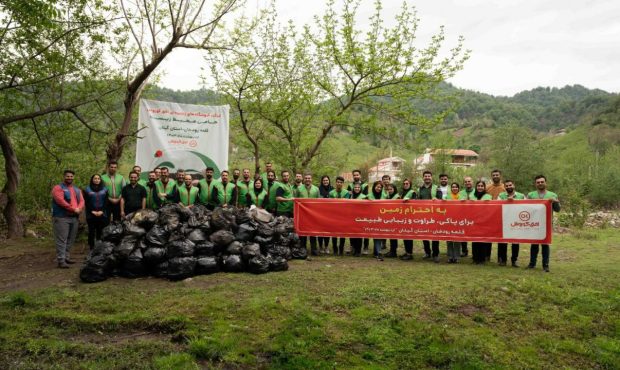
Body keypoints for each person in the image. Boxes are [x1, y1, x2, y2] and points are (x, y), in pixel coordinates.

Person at [526, 175, 560, 272]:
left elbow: (557, 210)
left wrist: (555, 202)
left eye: (542, 182)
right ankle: (532, 264)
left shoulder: (552, 195)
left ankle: (545, 265)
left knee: (545, 244)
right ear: (535, 184)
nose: (540, 183)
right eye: (538, 182)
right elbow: (525, 208)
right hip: (533, 223)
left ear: (546, 182)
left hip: (546, 224)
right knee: (534, 244)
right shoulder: (530, 195)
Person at [51, 170, 84, 268]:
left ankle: (66, 257)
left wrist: (79, 208)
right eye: (67, 176)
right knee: (62, 239)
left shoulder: (76, 189)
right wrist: (74, 209)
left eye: (71, 176)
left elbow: (82, 201)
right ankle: (61, 260)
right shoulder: (58, 188)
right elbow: (60, 201)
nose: (69, 178)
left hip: (74, 217)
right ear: (64, 177)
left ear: (73, 177)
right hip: (61, 217)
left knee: (71, 239)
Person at [497, 180, 525, 267]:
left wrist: (514, 201)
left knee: (515, 242)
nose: (509, 187)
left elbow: (527, 206)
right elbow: (497, 206)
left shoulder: (521, 196)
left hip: (516, 222)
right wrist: (506, 201)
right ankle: (503, 260)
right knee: (502, 242)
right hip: (504, 221)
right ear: (504, 187)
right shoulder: (501, 196)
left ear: (514, 185)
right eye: (507, 186)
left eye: (510, 185)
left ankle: (514, 260)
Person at [419, 170, 442, 262]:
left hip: (434, 215)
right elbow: (417, 201)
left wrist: (437, 199)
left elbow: (440, 200)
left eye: (429, 176)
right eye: (425, 176)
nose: (427, 177)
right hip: (423, 215)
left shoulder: (437, 188)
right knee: (424, 234)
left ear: (431, 177)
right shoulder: (420, 188)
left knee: (435, 235)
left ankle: (435, 254)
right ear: (423, 177)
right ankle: (427, 252)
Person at [84, 174, 108, 250]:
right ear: (92, 180)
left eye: (98, 178)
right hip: (91, 214)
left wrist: (102, 211)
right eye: (95, 178)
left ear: (100, 180)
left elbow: (106, 202)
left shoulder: (105, 189)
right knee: (91, 231)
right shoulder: (87, 189)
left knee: (100, 231)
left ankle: (99, 247)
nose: (97, 180)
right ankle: (91, 247)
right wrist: (92, 211)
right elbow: (86, 202)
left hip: (102, 213)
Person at [297, 174, 319, 256]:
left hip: (313, 214)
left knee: (312, 231)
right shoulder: (299, 189)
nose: (307, 179)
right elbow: (296, 200)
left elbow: (318, 202)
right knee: (302, 232)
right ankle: (303, 249)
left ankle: (314, 249)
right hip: (302, 213)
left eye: (309, 178)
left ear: (311, 179)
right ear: (303, 179)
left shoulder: (316, 189)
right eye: (306, 178)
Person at [471, 180, 492, 264]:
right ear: (476, 187)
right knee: (475, 240)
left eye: (481, 186)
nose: (480, 187)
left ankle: (482, 259)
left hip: (484, 221)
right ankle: (475, 258)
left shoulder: (488, 196)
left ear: (484, 187)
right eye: (478, 186)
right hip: (474, 221)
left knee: (483, 241)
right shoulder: (472, 196)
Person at [328, 176, 349, 255]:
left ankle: (341, 248)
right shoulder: (331, 193)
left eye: (341, 182)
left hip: (343, 215)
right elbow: (330, 205)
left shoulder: (346, 192)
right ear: (335, 183)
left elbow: (346, 203)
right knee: (334, 233)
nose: (339, 184)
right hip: (333, 215)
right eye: (338, 182)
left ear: (343, 183)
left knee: (342, 233)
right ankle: (335, 249)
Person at [346, 182, 366, 256]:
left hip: (360, 218)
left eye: (358, 187)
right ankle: (353, 249)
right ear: (353, 188)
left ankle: (358, 251)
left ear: (360, 189)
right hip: (351, 217)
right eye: (355, 187)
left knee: (359, 235)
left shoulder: (364, 196)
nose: (357, 189)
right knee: (352, 235)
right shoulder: (350, 196)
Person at [399, 178, 417, 260]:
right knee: (404, 235)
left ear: (410, 184)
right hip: (403, 217)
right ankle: (406, 252)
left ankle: (410, 254)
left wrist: (409, 200)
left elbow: (415, 202)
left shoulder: (412, 192)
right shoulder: (402, 193)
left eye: (407, 183)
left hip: (410, 217)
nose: (405, 185)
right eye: (404, 183)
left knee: (409, 236)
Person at [458, 176, 476, 257]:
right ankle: (464, 251)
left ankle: (474, 253)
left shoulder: (477, 191)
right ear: (464, 183)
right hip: (463, 216)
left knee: (474, 235)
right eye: (466, 182)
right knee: (463, 234)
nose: (467, 183)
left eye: (469, 181)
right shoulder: (461, 192)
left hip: (474, 216)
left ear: (472, 182)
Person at [368, 181, 386, 261]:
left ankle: (378, 252)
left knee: (378, 235)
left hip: (381, 219)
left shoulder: (384, 196)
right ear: (374, 187)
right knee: (375, 235)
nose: (378, 188)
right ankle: (377, 252)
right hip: (371, 219)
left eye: (380, 187)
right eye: (377, 187)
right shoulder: (369, 196)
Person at [446, 182, 462, 263]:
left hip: (459, 220)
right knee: (449, 239)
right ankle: (450, 256)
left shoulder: (462, 196)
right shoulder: (447, 196)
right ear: (451, 188)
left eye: (456, 187)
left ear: (458, 188)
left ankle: (456, 257)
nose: (454, 188)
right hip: (448, 220)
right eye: (453, 187)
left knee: (457, 239)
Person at [317, 175, 333, 254]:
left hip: (329, 213)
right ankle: (320, 247)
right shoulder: (318, 189)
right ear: (322, 181)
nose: (325, 182)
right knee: (320, 231)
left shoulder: (332, 189)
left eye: (327, 180)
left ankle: (326, 247)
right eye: (324, 180)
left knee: (327, 231)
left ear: (329, 181)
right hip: (320, 213)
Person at [385, 183, 400, 258]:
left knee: (394, 236)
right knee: (391, 235)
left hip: (395, 219)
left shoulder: (397, 197)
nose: (389, 190)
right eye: (388, 189)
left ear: (394, 189)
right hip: (389, 219)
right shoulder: (388, 196)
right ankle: (392, 250)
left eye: (391, 189)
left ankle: (394, 252)